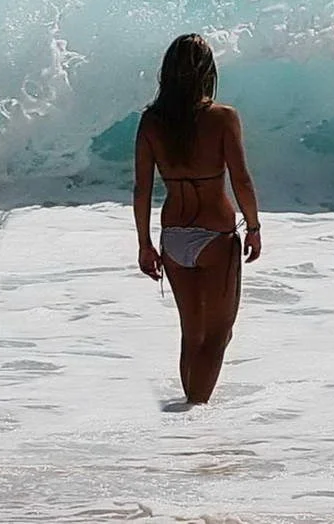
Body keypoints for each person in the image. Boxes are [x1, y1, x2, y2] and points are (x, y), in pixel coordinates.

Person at [133, 33, 261, 404]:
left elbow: (142, 189)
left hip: (172, 236)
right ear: (207, 72)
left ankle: (186, 418)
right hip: (215, 236)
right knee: (218, 335)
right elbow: (240, 178)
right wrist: (253, 227)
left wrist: (144, 245)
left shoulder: (152, 122)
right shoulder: (222, 117)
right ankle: (194, 415)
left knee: (191, 334)